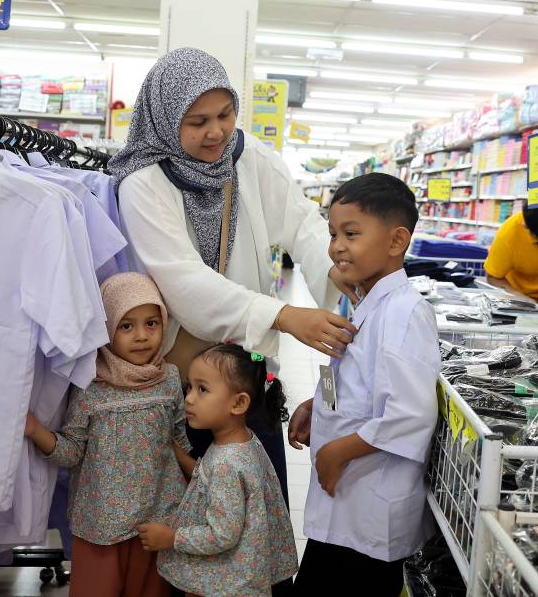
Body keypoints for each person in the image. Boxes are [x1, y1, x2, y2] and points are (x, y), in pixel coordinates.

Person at [109, 48, 359, 499]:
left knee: (256, 508)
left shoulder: (248, 156)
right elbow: (182, 280)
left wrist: (343, 268)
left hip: (245, 372)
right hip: (182, 381)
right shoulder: (143, 182)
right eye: (197, 121)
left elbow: (301, 221)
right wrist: (282, 315)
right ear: (165, 119)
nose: (217, 131)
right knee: (191, 510)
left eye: (226, 114)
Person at [287, 173, 442, 596]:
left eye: (351, 234)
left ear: (396, 241)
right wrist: (316, 404)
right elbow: (363, 382)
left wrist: (338, 451)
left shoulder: (405, 312)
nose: (337, 245)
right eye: (334, 232)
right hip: (347, 507)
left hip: (370, 509)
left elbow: (410, 412)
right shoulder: (366, 300)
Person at [23, 272, 191, 597]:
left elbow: (177, 440)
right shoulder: (91, 385)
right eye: (126, 326)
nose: (141, 336)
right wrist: (35, 431)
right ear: (107, 326)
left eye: (151, 323)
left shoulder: (169, 378)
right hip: (99, 525)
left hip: (155, 523)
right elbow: (72, 451)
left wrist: (205, 478)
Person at [137, 345, 298, 597]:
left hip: (224, 584)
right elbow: (209, 480)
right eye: (189, 387)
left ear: (238, 403)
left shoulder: (226, 463)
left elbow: (222, 535)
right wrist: (178, 453)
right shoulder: (245, 442)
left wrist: (171, 538)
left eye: (203, 389)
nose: (189, 398)